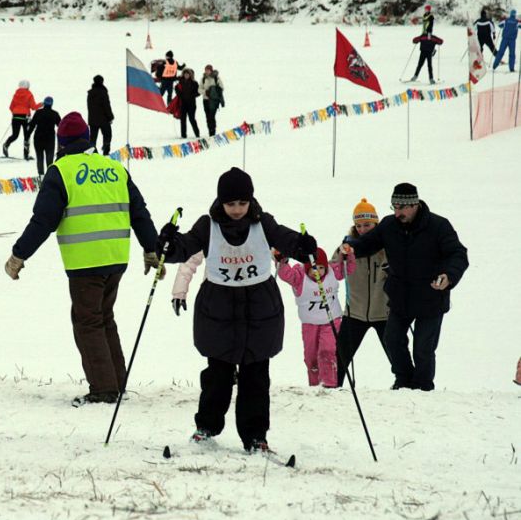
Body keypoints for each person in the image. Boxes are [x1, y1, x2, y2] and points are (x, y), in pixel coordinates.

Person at [5, 112, 161, 407]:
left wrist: (19, 254)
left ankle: (104, 390)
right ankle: (116, 382)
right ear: (88, 139)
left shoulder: (60, 171)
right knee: (104, 318)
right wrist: (151, 248)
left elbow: (43, 220)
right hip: (116, 258)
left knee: (87, 322)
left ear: (61, 143)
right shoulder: (114, 168)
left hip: (85, 262)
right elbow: (139, 211)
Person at [159, 167, 317, 451]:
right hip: (218, 310)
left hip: (259, 310)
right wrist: (168, 244)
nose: (236, 209)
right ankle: (206, 428)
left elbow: (285, 238)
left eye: (242, 203)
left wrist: (302, 246)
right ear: (221, 202)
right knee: (217, 375)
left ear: (250, 201)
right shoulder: (207, 226)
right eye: (230, 203)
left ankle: (256, 436)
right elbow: (185, 248)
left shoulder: (263, 223)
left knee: (256, 376)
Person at [342, 183, 468, 391]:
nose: (397, 212)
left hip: (431, 297)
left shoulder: (438, 226)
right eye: (394, 207)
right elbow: (367, 244)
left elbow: (458, 254)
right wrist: (351, 247)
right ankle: (404, 381)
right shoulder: (389, 225)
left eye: (401, 207)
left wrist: (449, 276)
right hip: (401, 296)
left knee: (423, 348)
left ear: (414, 205)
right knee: (392, 339)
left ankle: (422, 387)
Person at [330, 198, 390, 387]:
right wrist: (342, 256)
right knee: (340, 357)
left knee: (397, 355)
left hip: (384, 312)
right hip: (354, 311)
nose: (363, 229)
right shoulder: (347, 246)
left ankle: (407, 388)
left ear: (376, 224)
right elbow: (333, 272)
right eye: (359, 225)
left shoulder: (387, 245)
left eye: (367, 225)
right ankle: (333, 388)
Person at [276, 247, 355, 388]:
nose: (317, 272)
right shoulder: (300, 277)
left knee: (327, 351)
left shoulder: (332, 272)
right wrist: (282, 260)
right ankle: (314, 385)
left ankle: (329, 384)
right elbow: (286, 274)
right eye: (313, 268)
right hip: (310, 323)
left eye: (320, 268)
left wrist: (348, 255)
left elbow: (348, 269)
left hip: (331, 321)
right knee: (311, 357)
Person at [3, 80, 41, 160]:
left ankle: (6, 144)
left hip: (15, 117)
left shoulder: (15, 95)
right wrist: (42, 104)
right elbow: (33, 107)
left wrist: (16, 113)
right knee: (27, 136)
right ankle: (26, 155)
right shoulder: (29, 94)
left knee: (15, 135)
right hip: (25, 118)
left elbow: (11, 107)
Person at [28, 96, 61, 177]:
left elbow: (32, 125)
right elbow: (60, 126)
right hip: (50, 139)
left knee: (40, 157)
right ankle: (49, 176)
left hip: (38, 138)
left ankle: (41, 175)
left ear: (44, 103)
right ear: (51, 104)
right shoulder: (55, 114)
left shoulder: (38, 113)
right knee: (49, 159)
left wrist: (27, 135)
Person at [86, 75, 114, 156]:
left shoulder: (90, 93)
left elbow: (89, 107)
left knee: (93, 138)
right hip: (103, 119)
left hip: (93, 120)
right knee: (107, 135)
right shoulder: (103, 92)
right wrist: (110, 117)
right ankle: (106, 152)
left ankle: (91, 153)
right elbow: (106, 106)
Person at [199, 64, 224, 137]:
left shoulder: (216, 78)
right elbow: (199, 89)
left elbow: (222, 87)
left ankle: (213, 132)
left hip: (214, 100)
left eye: (208, 70)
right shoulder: (203, 78)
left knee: (212, 116)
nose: (207, 71)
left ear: (211, 70)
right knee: (207, 117)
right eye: (206, 70)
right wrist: (205, 92)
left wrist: (213, 91)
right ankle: (210, 131)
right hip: (205, 100)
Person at [175, 68, 200, 138]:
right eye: (185, 74)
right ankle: (183, 135)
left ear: (190, 75)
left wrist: (192, 95)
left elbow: (198, 92)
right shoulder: (180, 82)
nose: (186, 75)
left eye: (187, 74)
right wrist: (179, 94)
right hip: (183, 104)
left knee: (192, 119)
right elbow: (177, 89)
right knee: (183, 119)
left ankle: (197, 134)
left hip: (191, 104)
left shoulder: (194, 83)